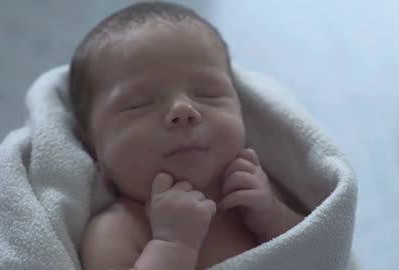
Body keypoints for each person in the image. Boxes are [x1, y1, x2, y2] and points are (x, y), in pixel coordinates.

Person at [69, 2, 305, 269]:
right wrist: (172, 246)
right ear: (93, 147)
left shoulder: (254, 194)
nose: (183, 110)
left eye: (208, 93)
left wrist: (274, 217)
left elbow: (321, 253)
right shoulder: (117, 229)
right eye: (138, 104)